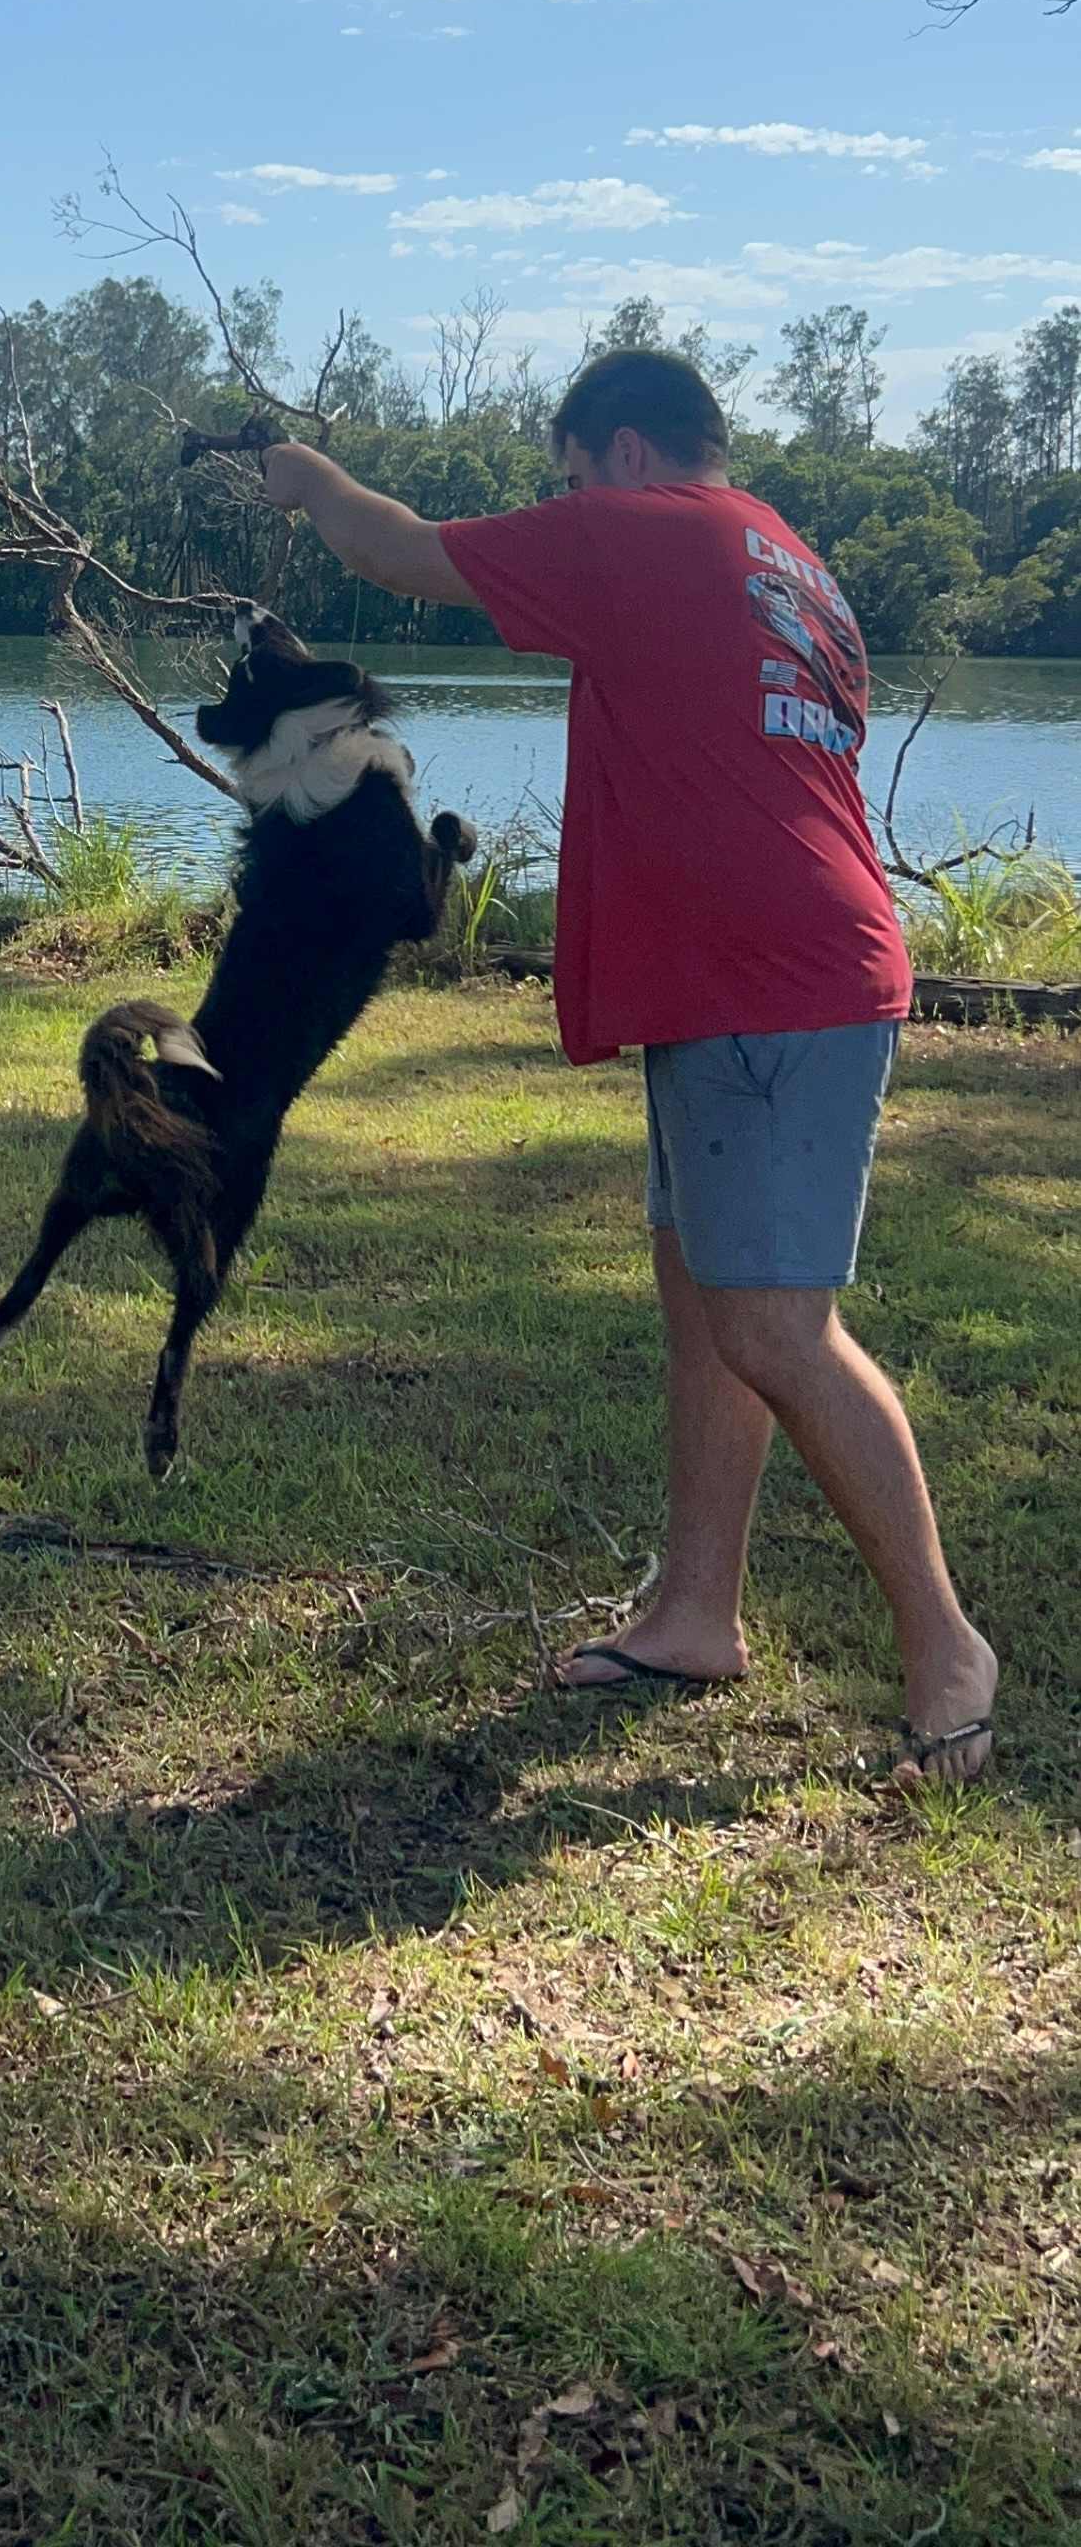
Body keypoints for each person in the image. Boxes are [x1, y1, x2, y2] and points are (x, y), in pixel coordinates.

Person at [258, 347, 995, 1786]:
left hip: (770, 986)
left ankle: (947, 1651)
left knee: (777, 1327)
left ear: (624, 455)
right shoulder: (785, 558)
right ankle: (695, 1612)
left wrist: (309, 481)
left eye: (569, 471)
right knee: (702, 1292)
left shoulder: (642, 529)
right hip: (763, 972)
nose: (566, 501)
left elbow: (401, 553)